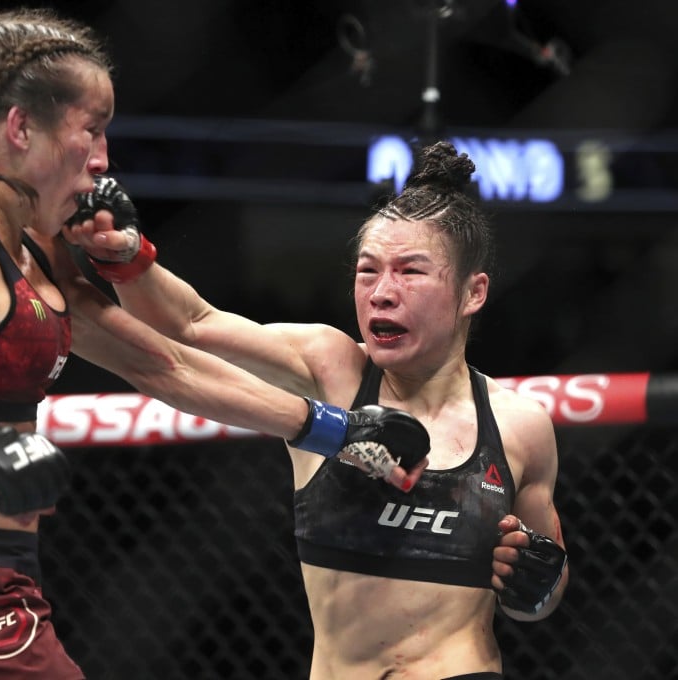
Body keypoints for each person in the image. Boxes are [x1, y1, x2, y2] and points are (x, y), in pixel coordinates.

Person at [0, 8, 430, 679]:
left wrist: (334, 430)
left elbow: (166, 362)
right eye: (90, 130)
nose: (102, 159)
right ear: (20, 128)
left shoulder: (35, 253)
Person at [66, 141, 569, 679]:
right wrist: (123, 253)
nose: (381, 293)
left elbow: (538, 594)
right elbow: (190, 323)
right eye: (368, 271)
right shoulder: (332, 371)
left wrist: (536, 580)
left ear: (473, 293)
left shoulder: (520, 426)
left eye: (410, 272)